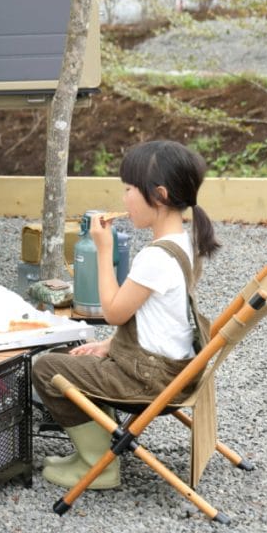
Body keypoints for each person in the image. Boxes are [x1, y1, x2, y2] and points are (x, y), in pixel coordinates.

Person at [31, 140, 219, 490]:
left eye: (129, 189)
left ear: (159, 195)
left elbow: (114, 312)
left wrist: (104, 251)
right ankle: (94, 451)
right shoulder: (182, 243)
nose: (124, 199)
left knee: (46, 367)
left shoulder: (155, 257)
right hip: (170, 368)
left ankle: (98, 465)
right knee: (72, 357)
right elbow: (154, 318)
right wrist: (109, 347)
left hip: (148, 380)